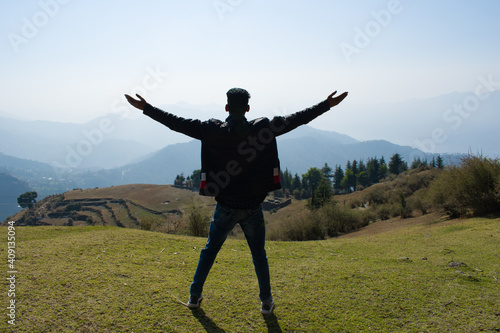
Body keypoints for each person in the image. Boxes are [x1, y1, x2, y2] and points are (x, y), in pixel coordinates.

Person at [125, 88, 348, 314]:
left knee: (210, 250)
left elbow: (176, 123)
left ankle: (194, 296)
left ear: (227, 107)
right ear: (248, 109)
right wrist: (326, 104)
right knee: (258, 254)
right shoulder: (263, 130)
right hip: (252, 206)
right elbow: (297, 119)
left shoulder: (210, 130)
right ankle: (266, 301)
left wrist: (146, 108)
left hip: (226, 206)